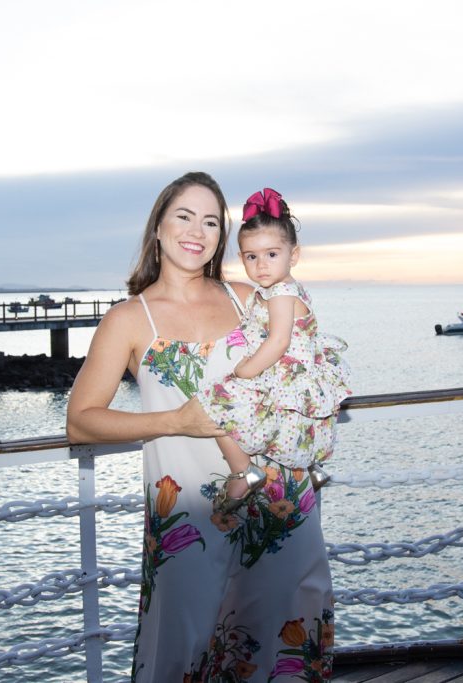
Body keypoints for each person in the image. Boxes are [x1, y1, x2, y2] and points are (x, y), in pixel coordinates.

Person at [67, 172, 334, 681]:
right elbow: (80, 422)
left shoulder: (248, 297)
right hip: (190, 516)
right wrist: (175, 421)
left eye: (211, 221)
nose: (197, 230)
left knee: (282, 639)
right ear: (159, 229)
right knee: (184, 645)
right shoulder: (127, 319)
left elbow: (300, 358)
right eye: (184, 216)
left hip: (279, 500)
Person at [197, 187, 351, 514]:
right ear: (241, 258)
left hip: (281, 370)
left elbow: (278, 341)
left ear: (292, 255)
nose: (261, 265)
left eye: (271, 254)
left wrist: (245, 370)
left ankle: (243, 472)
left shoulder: (280, 292)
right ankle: (313, 467)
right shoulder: (280, 288)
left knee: (212, 403)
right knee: (297, 424)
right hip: (293, 371)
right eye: (252, 257)